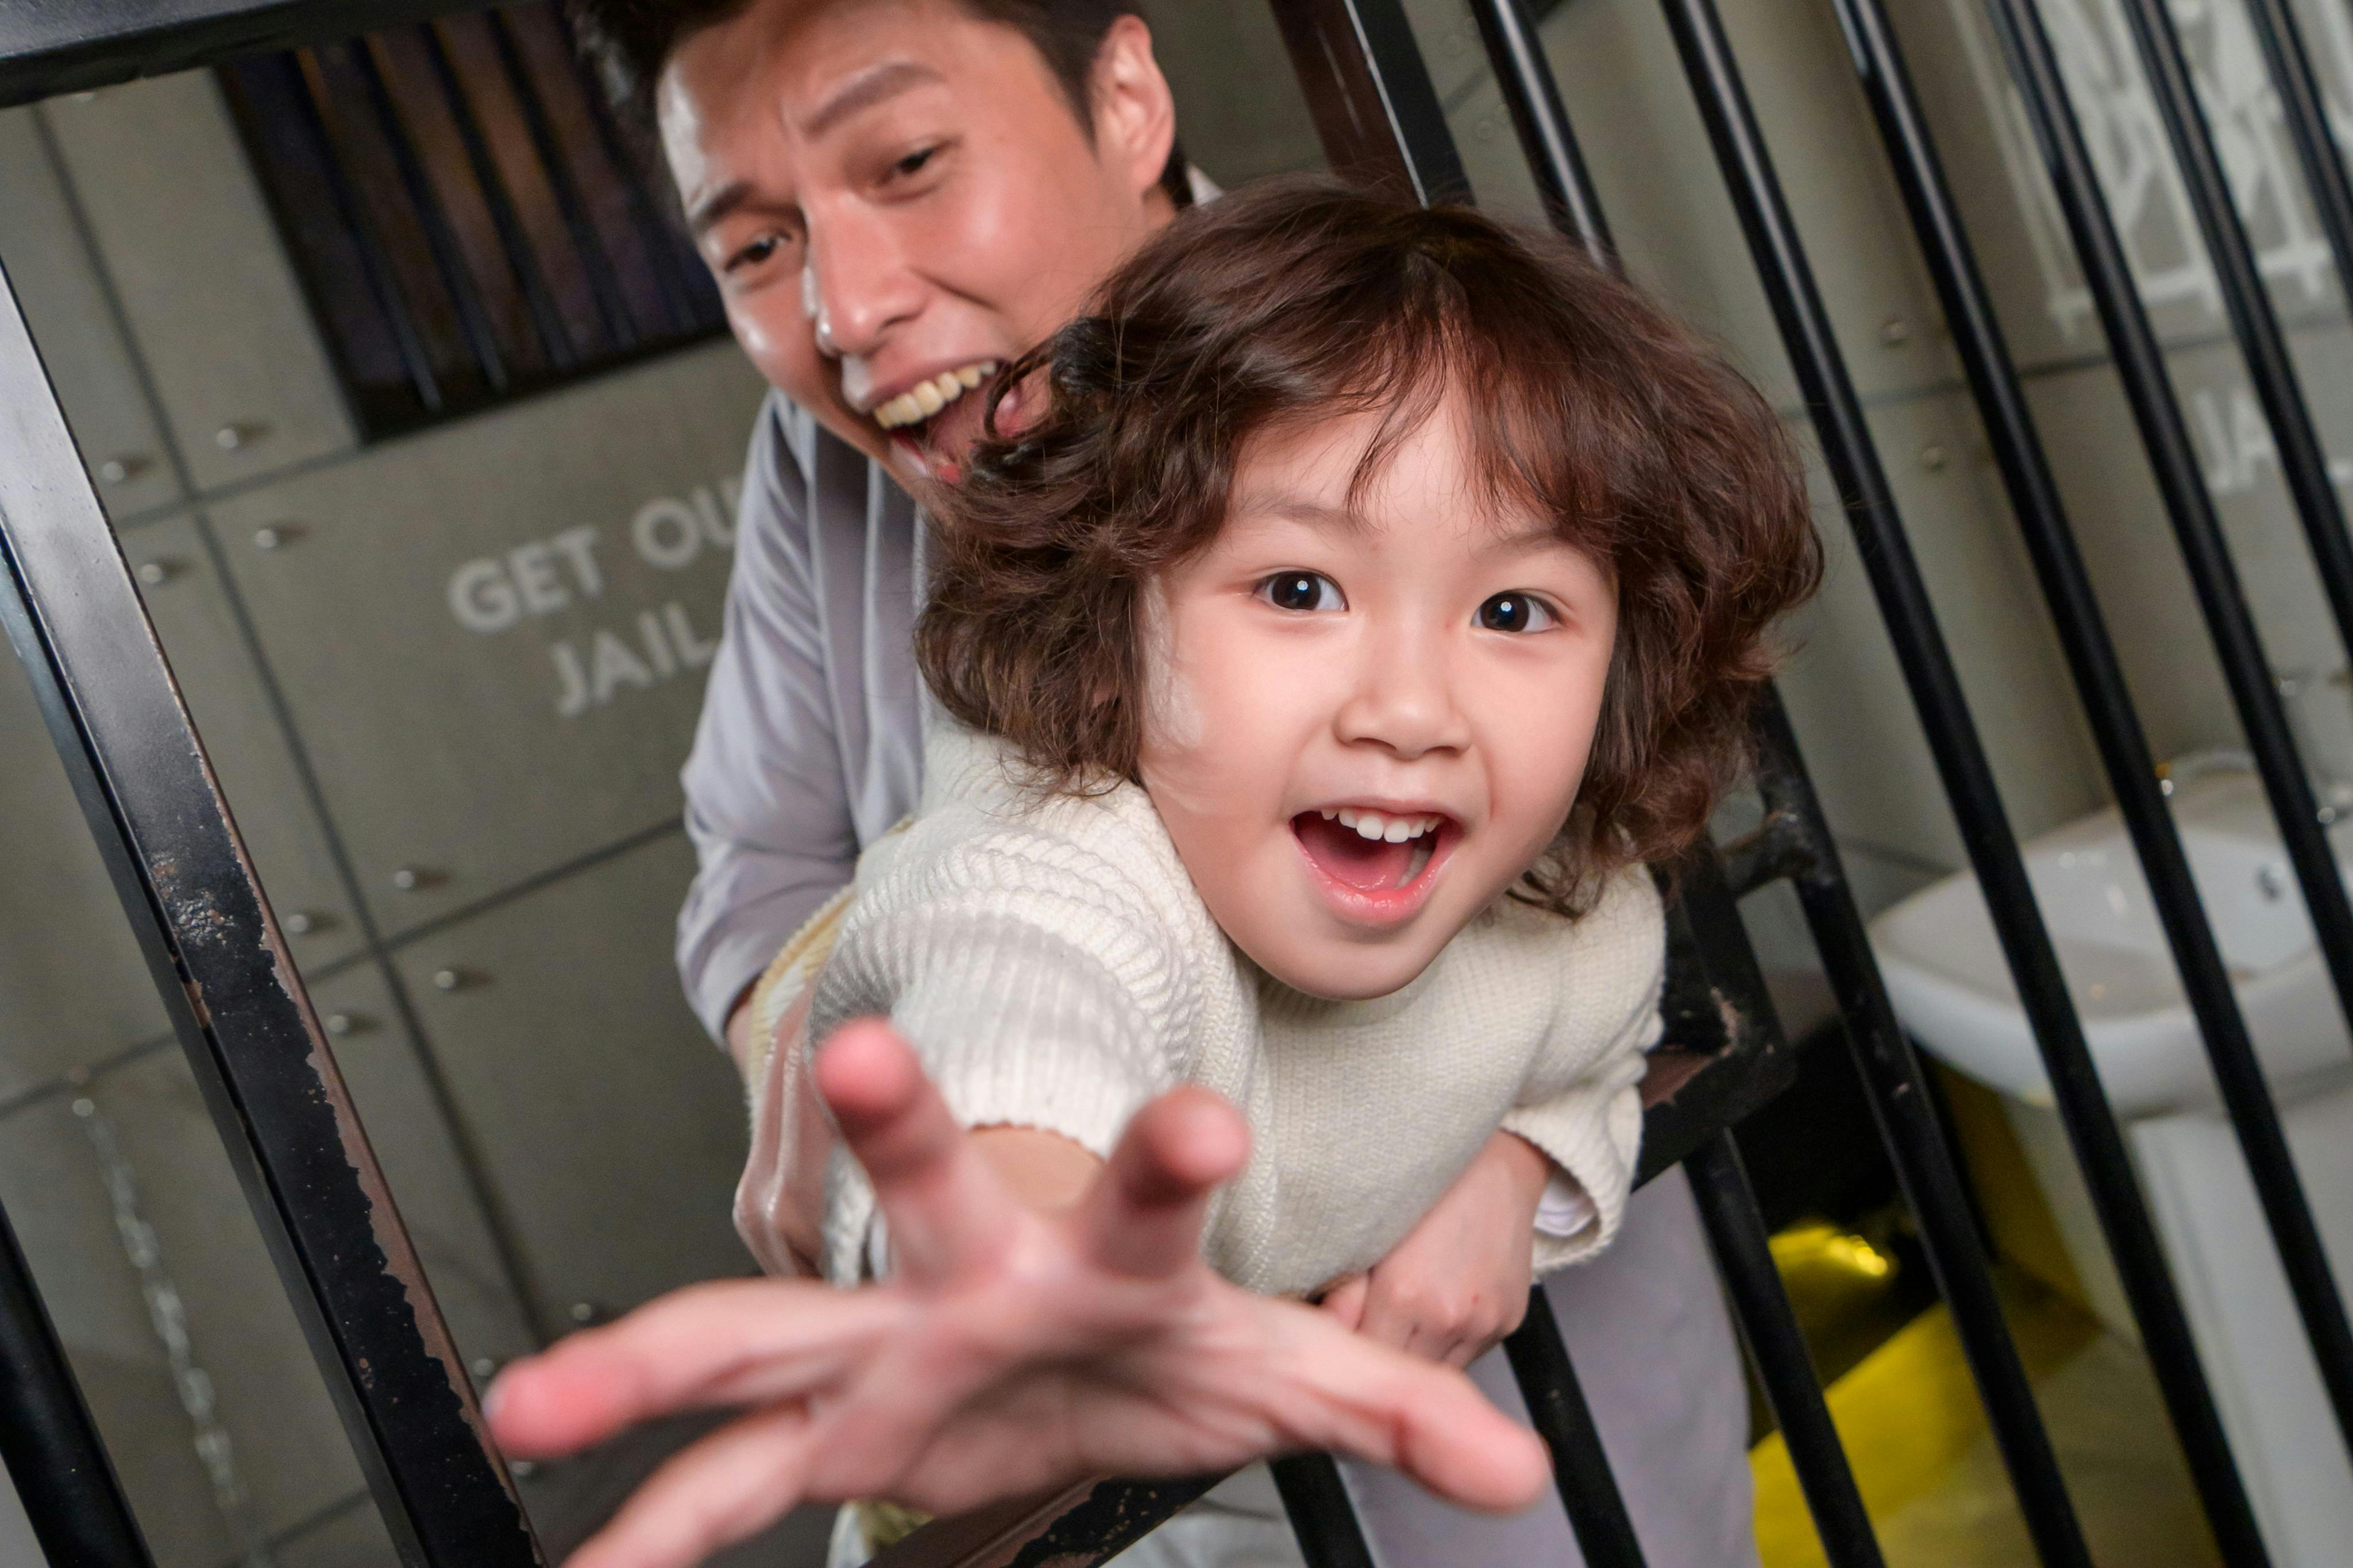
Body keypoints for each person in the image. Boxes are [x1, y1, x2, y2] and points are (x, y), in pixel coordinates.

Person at [546, 1, 1765, 1563]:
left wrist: (1532, 1151)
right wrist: (926, 1138)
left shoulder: (1409, 363)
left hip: (1511, 1403)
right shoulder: (835, 492)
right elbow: (989, 923)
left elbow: (1606, 902)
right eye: (759, 248)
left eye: (909, 163)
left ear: (1125, 96)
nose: (849, 310)